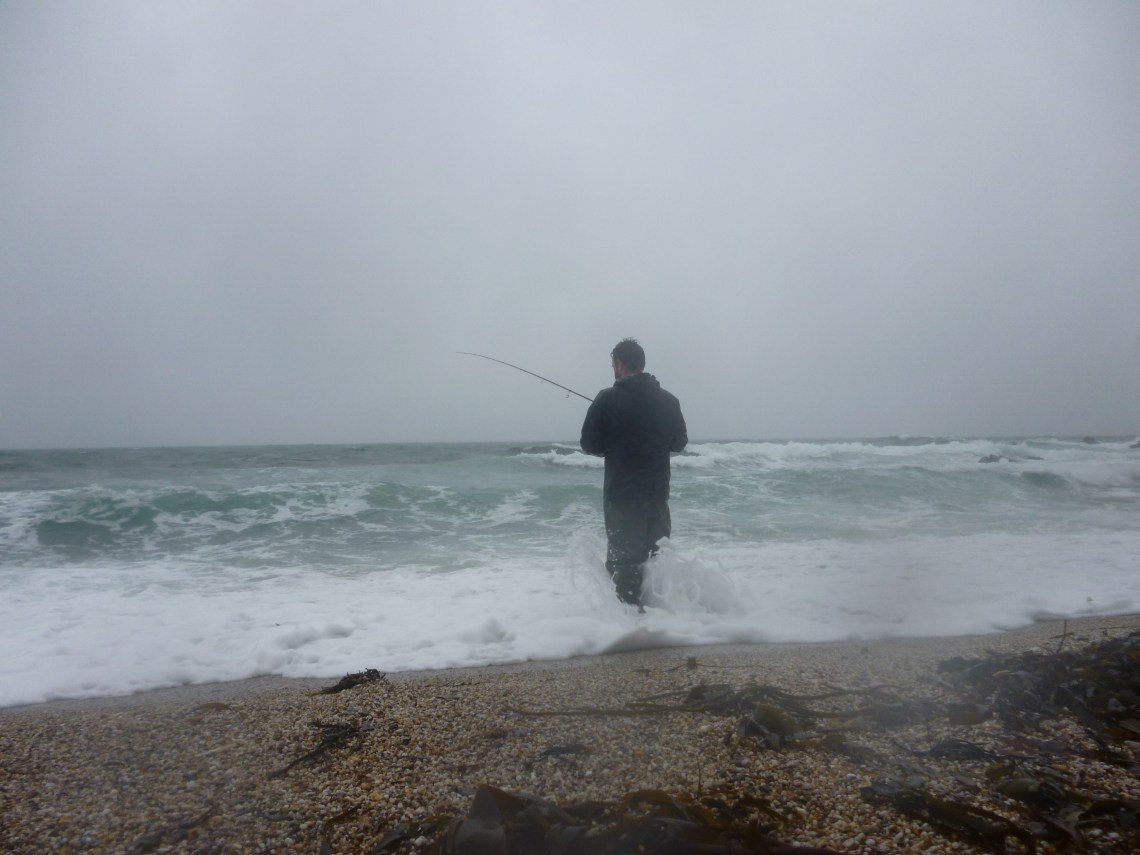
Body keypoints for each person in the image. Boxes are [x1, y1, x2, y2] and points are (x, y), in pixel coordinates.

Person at [580, 339, 688, 607]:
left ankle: (633, 627)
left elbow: (589, 445)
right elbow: (679, 443)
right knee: (657, 556)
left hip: (622, 496)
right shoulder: (669, 401)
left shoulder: (607, 398)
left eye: (613, 364)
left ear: (619, 363)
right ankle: (665, 618)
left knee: (623, 561)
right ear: (641, 364)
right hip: (657, 493)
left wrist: (615, 441)